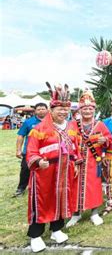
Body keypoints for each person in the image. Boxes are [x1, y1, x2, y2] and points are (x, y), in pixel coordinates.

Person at [26, 83, 81, 252]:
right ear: (52, 109)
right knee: (43, 202)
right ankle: (35, 236)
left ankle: (56, 229)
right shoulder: (39, 128)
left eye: (66, 109)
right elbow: (31, 151)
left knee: (62, 199)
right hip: (45, 173)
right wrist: (37, 161)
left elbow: (76, 145)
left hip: (65, 172)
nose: (63, 112)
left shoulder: (71, 126)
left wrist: (77, 161)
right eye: (60, 109)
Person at [67, 90, 112, 227]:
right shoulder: (73, 124)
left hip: (93, 161)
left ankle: (94, 213)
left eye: (90, 109)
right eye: (84, 109)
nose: (87, 111)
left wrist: (105, 140)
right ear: (80, 110)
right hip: (76, 162)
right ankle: (76, 214)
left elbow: (109, 138)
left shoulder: (100, 124)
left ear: (94, 110)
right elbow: (68, 140)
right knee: (75, 187)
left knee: (94, 187)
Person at [13, 103, 48, 197]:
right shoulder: (28, 122)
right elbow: (21, 136)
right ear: (35, 111)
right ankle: (20, 189)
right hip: (29, 152)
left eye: (43, 109)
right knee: (25, 170)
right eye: (39, 109)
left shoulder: (52, 121)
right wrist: (18, 150)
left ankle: (43, 190)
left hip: (46, 152)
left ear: (47, 110)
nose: (41, 111)